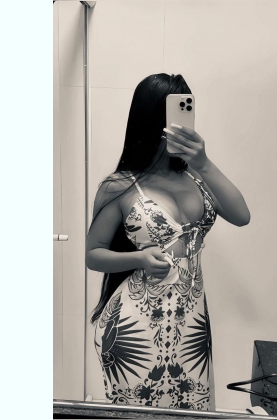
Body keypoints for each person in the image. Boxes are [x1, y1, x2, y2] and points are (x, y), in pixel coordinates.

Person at [86, 73, 250, 411]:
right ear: (151, 120)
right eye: (174, 114)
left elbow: (241, 215)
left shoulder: (197, 176)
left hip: (190, 326)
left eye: (187, 112)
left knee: (194, 412)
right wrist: (139, 259)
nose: (182, 124)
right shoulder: (120, 185)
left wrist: (203, 162)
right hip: (135, 330)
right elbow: (93, 255)